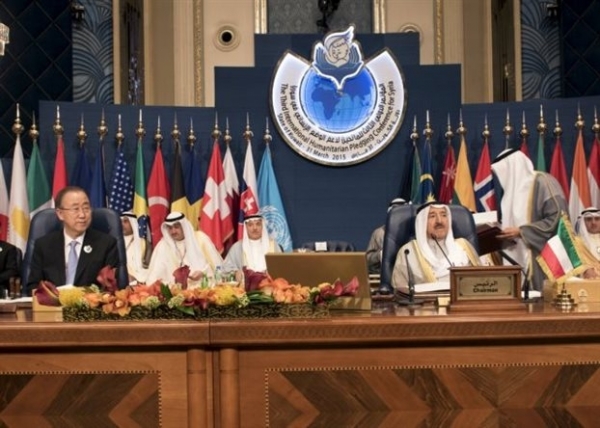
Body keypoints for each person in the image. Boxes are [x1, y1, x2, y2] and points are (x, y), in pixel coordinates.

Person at [491, 148, 568, 291]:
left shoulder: (543, 182)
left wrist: (522, 232)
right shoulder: (509, 195)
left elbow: (559, 218)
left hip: (541, 257)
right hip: (515, 257)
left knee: (542, 299)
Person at [27, 186, 119, 289]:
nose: (82, 215)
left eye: (86, 208)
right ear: (60, 214)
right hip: (53, 299)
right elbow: (33, 286)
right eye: (75, 209)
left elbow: (110, 288)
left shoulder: (106, 244)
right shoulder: (43, 245)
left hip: (89, 299)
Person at [391, 202, 480, 290]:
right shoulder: (408, 252)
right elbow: (400, 290)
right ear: (422, 222)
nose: (439, 221)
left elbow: (481, 281)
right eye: (432, 216)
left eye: (444, 215)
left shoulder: (463, 247)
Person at [146, 212, 223, 287]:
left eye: (176, 227)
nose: (173, 231)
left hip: (202, 289)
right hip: (174, 292)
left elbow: (218, 267)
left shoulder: (201, 239)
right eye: (170, 228)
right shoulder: (163, 246)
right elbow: (154, 276)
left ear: (184, 226)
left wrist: (203, 273)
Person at [365, 198, 407, 274]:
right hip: (383, 275)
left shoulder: (414, 233)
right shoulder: (379, 233)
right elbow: (368, 260)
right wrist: (380, 255)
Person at [121, 212, 149, 284]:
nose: (122, 224)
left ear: (132, 223)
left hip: (140, 279)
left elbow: (149, 266)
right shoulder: (115, 242)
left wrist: (135, 277)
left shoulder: (144, 243)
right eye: (120, 222)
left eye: (125, 221)